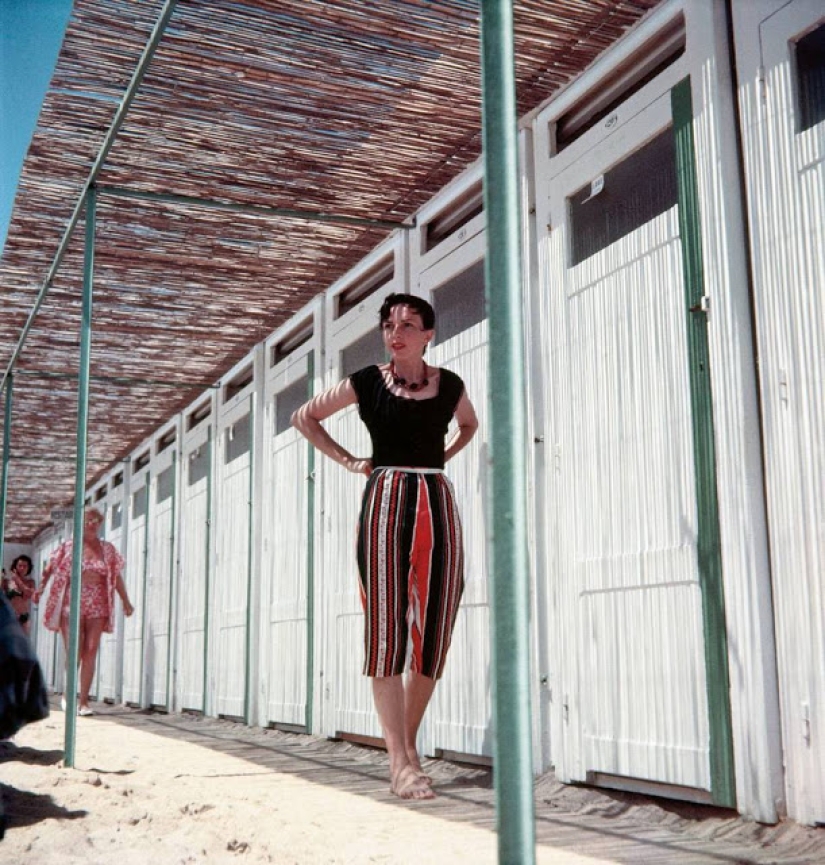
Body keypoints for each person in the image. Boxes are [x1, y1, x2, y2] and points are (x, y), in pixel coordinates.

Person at [292, 292, 478, 800]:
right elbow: (304, 417)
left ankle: (406, 745)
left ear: (428, 334)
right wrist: (351, 460)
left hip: (437, 499)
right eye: (389, 324)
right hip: (386, 500)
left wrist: (445, 455)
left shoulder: (451, 384)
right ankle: (400, 762)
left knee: (435, 628)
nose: (396, 332)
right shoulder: (367, 381)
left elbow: (469, 424)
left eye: (409, 324)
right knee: (386, 629)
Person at [32, 508, 134, 716]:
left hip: (98, 603)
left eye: (96, 520)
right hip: (72, 601)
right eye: (88, 520)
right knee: (75, 650)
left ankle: (84, 701)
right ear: (80, 522)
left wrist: (126, 601)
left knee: (91, 649)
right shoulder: (69, 547)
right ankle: (68, 696)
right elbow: (49, 568)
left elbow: (116, 577)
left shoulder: (108, 549)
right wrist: (41, 588)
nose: (92, 524)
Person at [4, 555, 36, 636]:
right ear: (15, 567)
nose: (22, 568)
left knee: (21, 644)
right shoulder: (7, 582)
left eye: (25, 566)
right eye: (20, 566)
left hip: (23, 618)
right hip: (9, 617)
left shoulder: (30, 582)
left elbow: (29, 593)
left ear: (29, 568)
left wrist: (17, 579)